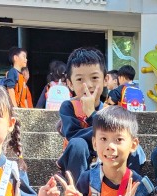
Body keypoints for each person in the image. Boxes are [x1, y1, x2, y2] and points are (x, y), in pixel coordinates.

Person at [55, 47, 145, 185]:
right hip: (79, 160)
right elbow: (73, 135)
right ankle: (79, 193)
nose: (88, 85)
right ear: (70, 84)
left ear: (105, 80)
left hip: (107, 156)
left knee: (134, 147)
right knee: (78, 144)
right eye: (80, 79)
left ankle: (129, 187)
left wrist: (92, 113)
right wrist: (94, 117)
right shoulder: (68, 106)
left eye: (94, 78)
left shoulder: (111, 110)